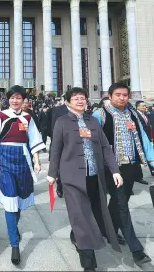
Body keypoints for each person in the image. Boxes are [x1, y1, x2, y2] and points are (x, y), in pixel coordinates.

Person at [48, 87, 123, 272]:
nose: (80, 101)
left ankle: (77, 236)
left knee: (93, 215)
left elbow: (106, 147)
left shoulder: (93, 121)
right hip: (72, 178)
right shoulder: (62, 122)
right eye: (76, 98)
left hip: (94, 177)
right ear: (67, 102)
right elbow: (55, 150)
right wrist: (52, 174)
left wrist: (115, 170)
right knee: (81, 217)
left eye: (83, 98)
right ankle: (88, 262)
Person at [92, 82, 152, 266]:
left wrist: (151, 161)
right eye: (118, 94)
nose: (122, 98)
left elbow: (143, 138)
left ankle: (107, 230)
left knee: (120, 202)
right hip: (111, 168)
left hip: (131, 166)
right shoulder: (100, 114)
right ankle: (136, 250)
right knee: (122, 206)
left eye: (125, 95)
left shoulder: (132, 113)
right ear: (109, 96)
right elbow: (92, 141)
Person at [0, 85, 45, 266]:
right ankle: (14, 245)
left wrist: (36, 160)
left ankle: (14, 229)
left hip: (23, 159)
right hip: (5, 159)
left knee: (18, 199)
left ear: (24, 100)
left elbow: (34, 139)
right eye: (12, 97)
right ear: (8, 99)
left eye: (19, 97)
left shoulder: (28, 117)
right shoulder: (1, 116)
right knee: (10, 199)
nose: (15, 100)